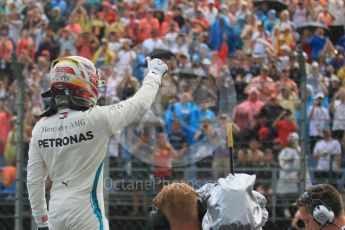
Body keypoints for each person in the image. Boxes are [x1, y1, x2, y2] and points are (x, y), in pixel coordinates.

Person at [26, 55, 168, 229]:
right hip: (86, 210)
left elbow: (34, 181)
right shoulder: (96, 118)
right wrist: (155, 73)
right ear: (83, 82)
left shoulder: (40, 127)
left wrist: (42, 221)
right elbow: (140, 104)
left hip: (56, 210)